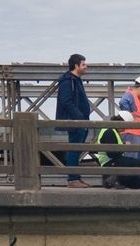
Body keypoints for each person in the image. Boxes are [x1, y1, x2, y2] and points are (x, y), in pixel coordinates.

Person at [55, 53, 90, 188]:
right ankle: (72, 179)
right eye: (83, 64)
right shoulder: (68, 81)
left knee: (77, 148)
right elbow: (66, 101)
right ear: (76, 65)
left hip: (81, 121)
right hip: (75, 121)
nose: (86, 67)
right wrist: (79, 117)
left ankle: (76, 177)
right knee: (73, 148)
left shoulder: (76, 80)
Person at [97, 112, 140, 189]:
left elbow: (113, 146)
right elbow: (111, 153)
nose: (125, 128)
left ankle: (117, 179)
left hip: (114, 161)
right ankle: (113, 178)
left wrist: (123, 144)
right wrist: (124, 147)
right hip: (109, 162)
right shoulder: (109, 131)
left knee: (137, 184)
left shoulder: (113, 130)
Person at [118, 75, 140, 174]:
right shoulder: (130, 95)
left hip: (138, 133)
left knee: (139, 161)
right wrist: (128, 115)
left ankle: (134, 182)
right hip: (131, 132)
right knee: (131, 158)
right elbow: (123, 103)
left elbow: (139, 116)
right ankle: (127, 180)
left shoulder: (137, 98)